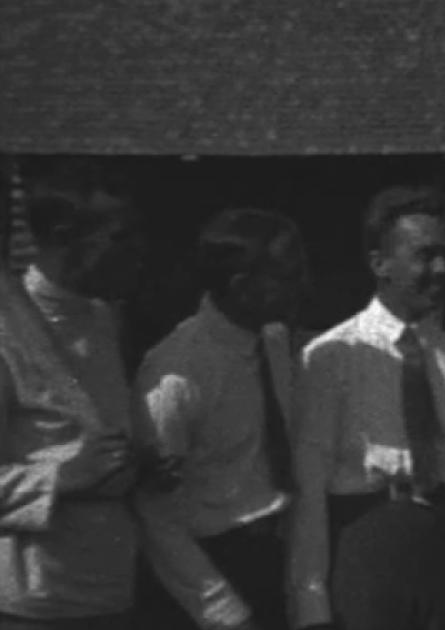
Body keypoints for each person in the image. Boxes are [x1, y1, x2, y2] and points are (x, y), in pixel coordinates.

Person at [287, 186, 445, 630]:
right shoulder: (332, 357)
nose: (441, 269)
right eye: (424, 255)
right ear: (379, 263)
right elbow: (309, 491)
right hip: (366, 552)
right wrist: (312, 608)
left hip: (443, 552)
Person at [135, 208, 308, 630]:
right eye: (287, 276)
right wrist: (223, 611)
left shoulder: (273, 340)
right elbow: (155, 516)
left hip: (277, 559)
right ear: (242, 287)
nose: (303, 285)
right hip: (213, 571)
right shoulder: (175, 375)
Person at [0, 169, 147, 630]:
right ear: (65, 238)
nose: (137, 251)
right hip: (39, 599)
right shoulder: (8, 334)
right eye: (119, 237)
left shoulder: (101, 318)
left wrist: (136, 463)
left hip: (112, 584)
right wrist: (62, 478)